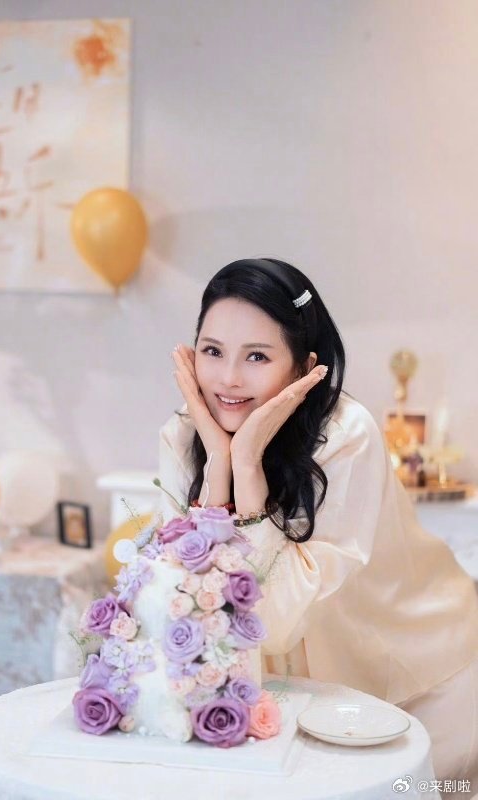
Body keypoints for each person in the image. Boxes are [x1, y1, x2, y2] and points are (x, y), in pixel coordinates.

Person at [159, 257, 478, 794]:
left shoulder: (347, 435)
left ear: (304, 366)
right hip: (282, 693)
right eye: (212, 351)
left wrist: (247, 466)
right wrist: (217, 465)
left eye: (257, 356)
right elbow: (192, 599)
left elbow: (276, 618)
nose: (229, 378)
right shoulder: (185, 435)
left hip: (414, 679)